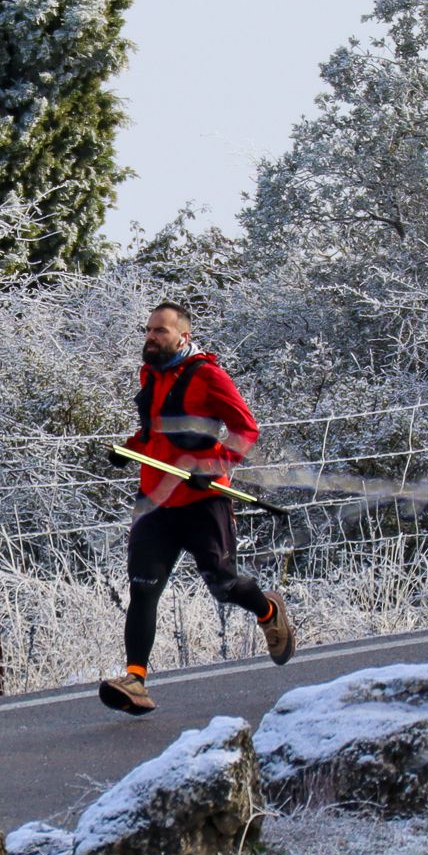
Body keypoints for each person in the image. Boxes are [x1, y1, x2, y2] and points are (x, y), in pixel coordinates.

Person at [99, 302, 295, 715]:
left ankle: (268, 610)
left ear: (183, 337)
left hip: (203, 501)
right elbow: (154, 432)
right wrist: (130, 448)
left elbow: (246, 429)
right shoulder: (150, 375)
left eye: (161, 331)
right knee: (142, 588)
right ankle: (135, 681)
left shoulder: (208, 376)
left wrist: (213, 466)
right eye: (148, 330)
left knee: (224, 586)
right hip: (155, 502)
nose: (151, 337)